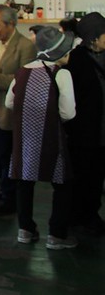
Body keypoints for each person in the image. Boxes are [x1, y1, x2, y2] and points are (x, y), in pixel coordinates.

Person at [6, 27, 77, 249]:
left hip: (24, 139)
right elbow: (68, 113)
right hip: (51, 139)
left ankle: (25, 230)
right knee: (62, 184)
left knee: (24, 183)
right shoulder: (61, 74)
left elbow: (10, 102)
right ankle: (56, 235)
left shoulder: (22, 71)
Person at [0, 5, 37, 216]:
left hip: (8, 113)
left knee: (6, 156)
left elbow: (23, 80)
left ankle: (8, 196)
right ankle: (6, 187)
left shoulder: (25, 46)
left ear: (10, 24)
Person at [65, 12, 105, 236]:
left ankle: (92, 214)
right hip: (83, 132)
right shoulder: (77, 60)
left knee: (97, 175)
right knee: (82, 175)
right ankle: (78, 215)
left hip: (101, 131)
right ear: (93, 37)